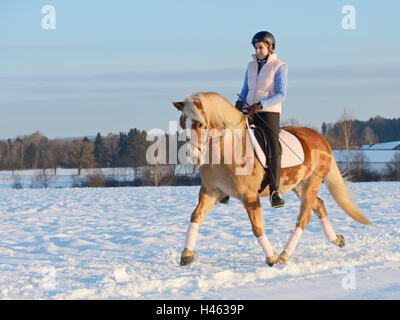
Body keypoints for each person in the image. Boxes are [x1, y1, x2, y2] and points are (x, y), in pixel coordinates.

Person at [235, 31, 288, 208]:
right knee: (234, 139)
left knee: (273, 146)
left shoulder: (279, 67)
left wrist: (261, 104)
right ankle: (228, 186)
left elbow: (282, 95)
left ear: (270, 47)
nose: (258, 50)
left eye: (261, 47)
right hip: (249, 110)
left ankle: (274, 190)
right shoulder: (250, 66)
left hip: (269, 112)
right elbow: (245, 89)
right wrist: (238, 103)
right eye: (256, 47)